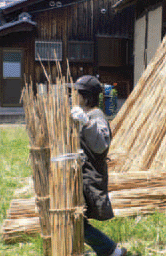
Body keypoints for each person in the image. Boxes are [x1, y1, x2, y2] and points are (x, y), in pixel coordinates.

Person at [70, 75, 127, 256]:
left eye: (77, 93)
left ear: (86, 96)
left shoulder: (96, 116)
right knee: (76, 218)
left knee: (77, 221)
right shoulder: (82, 114)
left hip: (89, 176)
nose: (74, 95)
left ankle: (110, 250)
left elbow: (101, 144)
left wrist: (86, 123)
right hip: (78, 175)